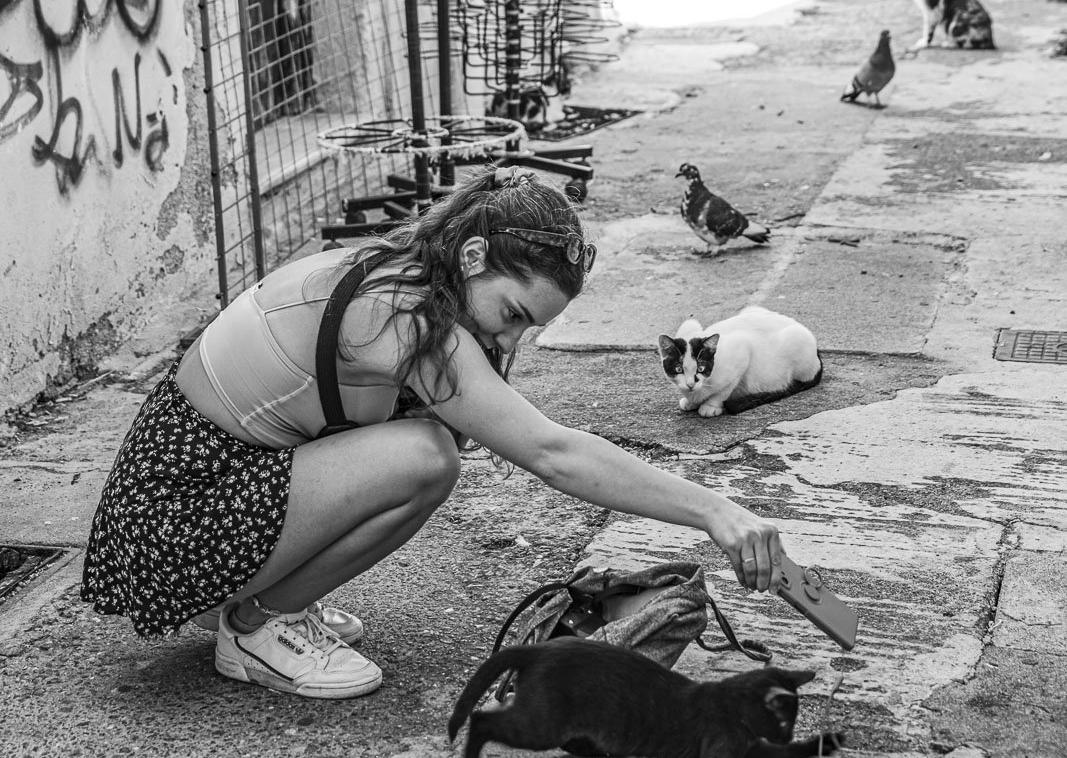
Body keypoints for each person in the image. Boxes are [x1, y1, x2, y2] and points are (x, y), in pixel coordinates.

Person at [81, 168, 784, 700]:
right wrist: (716, 511)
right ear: (474, 257)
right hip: (171, 528)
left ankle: (269, 602)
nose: (511, 335)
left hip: (201, 498)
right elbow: (551, 452)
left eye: (526, 325)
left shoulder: (417, 276)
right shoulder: (399, 314)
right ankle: (256, 627)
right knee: (422, 458)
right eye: (511, 312)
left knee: (432, 449)